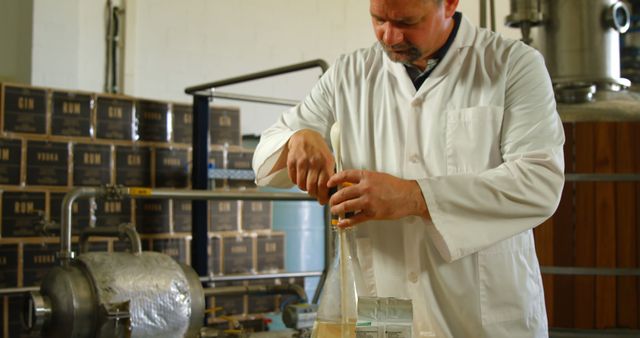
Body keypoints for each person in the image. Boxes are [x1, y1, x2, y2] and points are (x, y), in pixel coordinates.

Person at [252, 0, 564, 336]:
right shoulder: (349, 73)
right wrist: (297, 139)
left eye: (406, 21)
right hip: (384, 309)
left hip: (482, 313)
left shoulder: (512, 65)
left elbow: (539, 182)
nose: (389, 35)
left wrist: (413, 197)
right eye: (378, 19)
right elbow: (264, 156)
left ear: (450, 4)